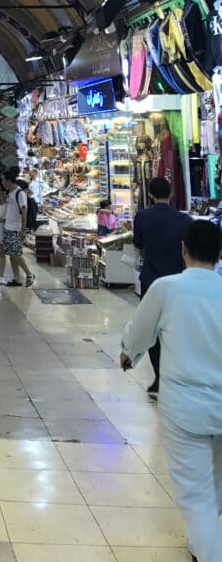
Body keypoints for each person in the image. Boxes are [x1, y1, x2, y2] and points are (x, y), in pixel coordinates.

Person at [120, 220, 222, 562]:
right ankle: (202, 541)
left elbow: (139, 332)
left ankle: (210, 550)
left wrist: (128, 353)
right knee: (216, 482)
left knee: (195, 495)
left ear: (183, 249)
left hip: (185, 407)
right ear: (219, 254)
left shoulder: (167, 288)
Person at [133, 175, 190, 397]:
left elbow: (138, 244)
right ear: (171, 193)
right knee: (175, 328)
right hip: (177, 281)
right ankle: (175, 376)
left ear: (150, 195)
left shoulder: (142, 216)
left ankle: (159, 376)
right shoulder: (184, 219)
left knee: (152, 330)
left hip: (151, 280)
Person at [2, 169, 36, 287]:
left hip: (16, 228)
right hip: (8, 227)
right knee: (11, 254)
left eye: (3, 180)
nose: (2, 183)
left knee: (15, 253)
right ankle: (16, 279)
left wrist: (23, 229)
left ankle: (29, 274)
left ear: (8, 181)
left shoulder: (20, 193)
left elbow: (24, 211)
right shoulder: (10, 193)